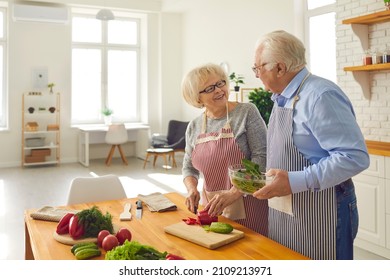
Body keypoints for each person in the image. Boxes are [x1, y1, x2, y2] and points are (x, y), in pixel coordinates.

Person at [251, 30, 370, 259]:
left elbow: (354, 157)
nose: (256, 75)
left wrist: (294, 181)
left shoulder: (320, 95)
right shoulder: (283, 97)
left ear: (280, 68)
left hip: (327, 207)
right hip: (288, 208)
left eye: (258, 67)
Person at [181, 63, 268, 236]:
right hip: (212, 208)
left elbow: (262, 158)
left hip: (249, 203)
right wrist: (192, 189)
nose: (219, 90)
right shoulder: (194, 126)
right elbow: (188, 167)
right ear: (197, 98)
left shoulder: (246, 112)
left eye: (221, 83)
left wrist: (234, 193)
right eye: (210, 88)